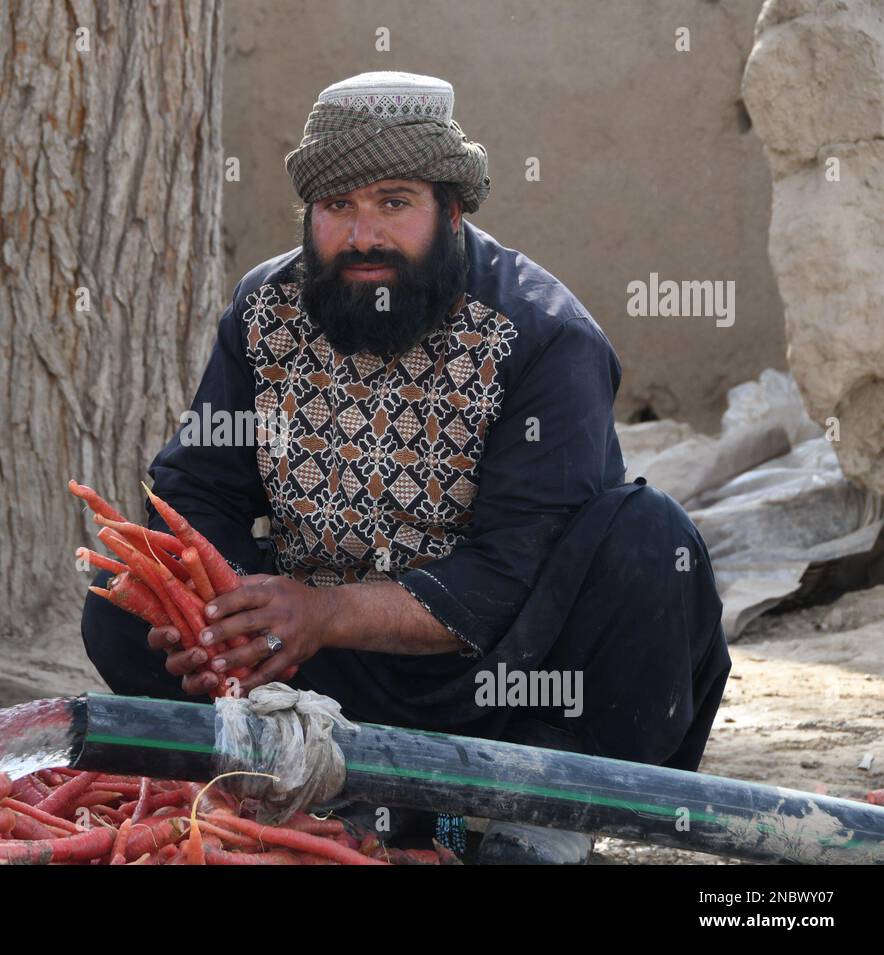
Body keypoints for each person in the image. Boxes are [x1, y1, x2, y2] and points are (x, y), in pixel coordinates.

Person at [80, 72, 732, 861]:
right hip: (320, 678)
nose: (363, 236)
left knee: (649, 539)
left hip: (508, 680)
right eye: (337, 206)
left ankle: (545, 813)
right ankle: (332, 788)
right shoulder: (264, 312)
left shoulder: (543, 334)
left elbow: (511, 568)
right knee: (123, 601)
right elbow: (197, 490)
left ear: (452, 211)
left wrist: (320, 611)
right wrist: (224, 619)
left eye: (393, 202)